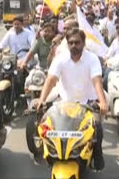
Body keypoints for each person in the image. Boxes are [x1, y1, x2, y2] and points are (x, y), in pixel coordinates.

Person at [37, 28, 108, 170]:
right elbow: (51, 80)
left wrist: (103, 102)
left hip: (88, 103)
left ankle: (97, 156)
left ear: (83, 43)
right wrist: (41, 100)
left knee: (97, 127)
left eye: (77, 42)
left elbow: (97, 81)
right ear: (67, 44)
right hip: (65, 103)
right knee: (47, 123)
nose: (74, 45)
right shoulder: (60, 58)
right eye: (71, 43)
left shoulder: (92, 58)